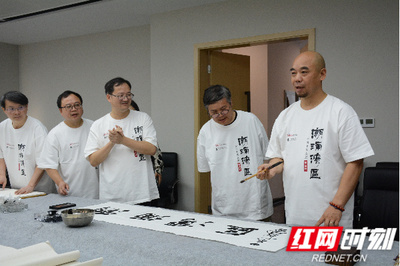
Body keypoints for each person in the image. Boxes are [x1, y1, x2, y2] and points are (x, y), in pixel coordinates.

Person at [257, 51, 374, 229]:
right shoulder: (285, 116)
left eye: (304, 72)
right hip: (295, 214)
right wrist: (271, 169)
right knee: (297, 257)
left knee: (327, 258)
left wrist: (337, 205)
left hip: (332, 215)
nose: (297, 78)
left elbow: (356, 162)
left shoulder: (341, 111)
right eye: (293, 73)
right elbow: (279, 157)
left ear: (322, 74)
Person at [197, 85, 273, 221]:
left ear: (231, 103)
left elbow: (268, 154)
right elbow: (205, 168)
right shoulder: (205, 132)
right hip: (224, 208)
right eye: (214, 112)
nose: (220, 115)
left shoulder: (251, 121)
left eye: (224, 109)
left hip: (255, 206)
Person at [84, 77, 159, 204]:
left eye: (128, 94)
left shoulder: (143, 118)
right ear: (109, 97)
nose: (125, 99)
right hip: (113, 194)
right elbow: (93, 160)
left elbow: (152, 149)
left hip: (142, 193)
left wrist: (122, 140)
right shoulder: (98, 125)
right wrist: (112, 142)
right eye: (120, 95)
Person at [38, 91, 99, 199]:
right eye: (68, 106)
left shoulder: (94, 127)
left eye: (77, 105)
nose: (74, 109)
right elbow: (49, 165)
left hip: (96, 191)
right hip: (70, 193)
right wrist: (59, 182)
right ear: (61, 110)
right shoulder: (55, 134)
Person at [0, 91, 56, 194]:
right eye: (11, 109)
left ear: (27, 107)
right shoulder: (2, 127)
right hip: (16, 188)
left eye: (20, 107)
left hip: (39, 189)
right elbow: (1, 155)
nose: (16, 112)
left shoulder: (38, 128)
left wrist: (31, 185)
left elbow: (42, 161)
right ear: (4, 110)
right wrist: (2, 175)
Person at [130, 100, 164, 186]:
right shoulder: (117, 132)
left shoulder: (144, 129)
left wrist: (157, 170)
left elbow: (156, 152)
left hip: (145, 173)